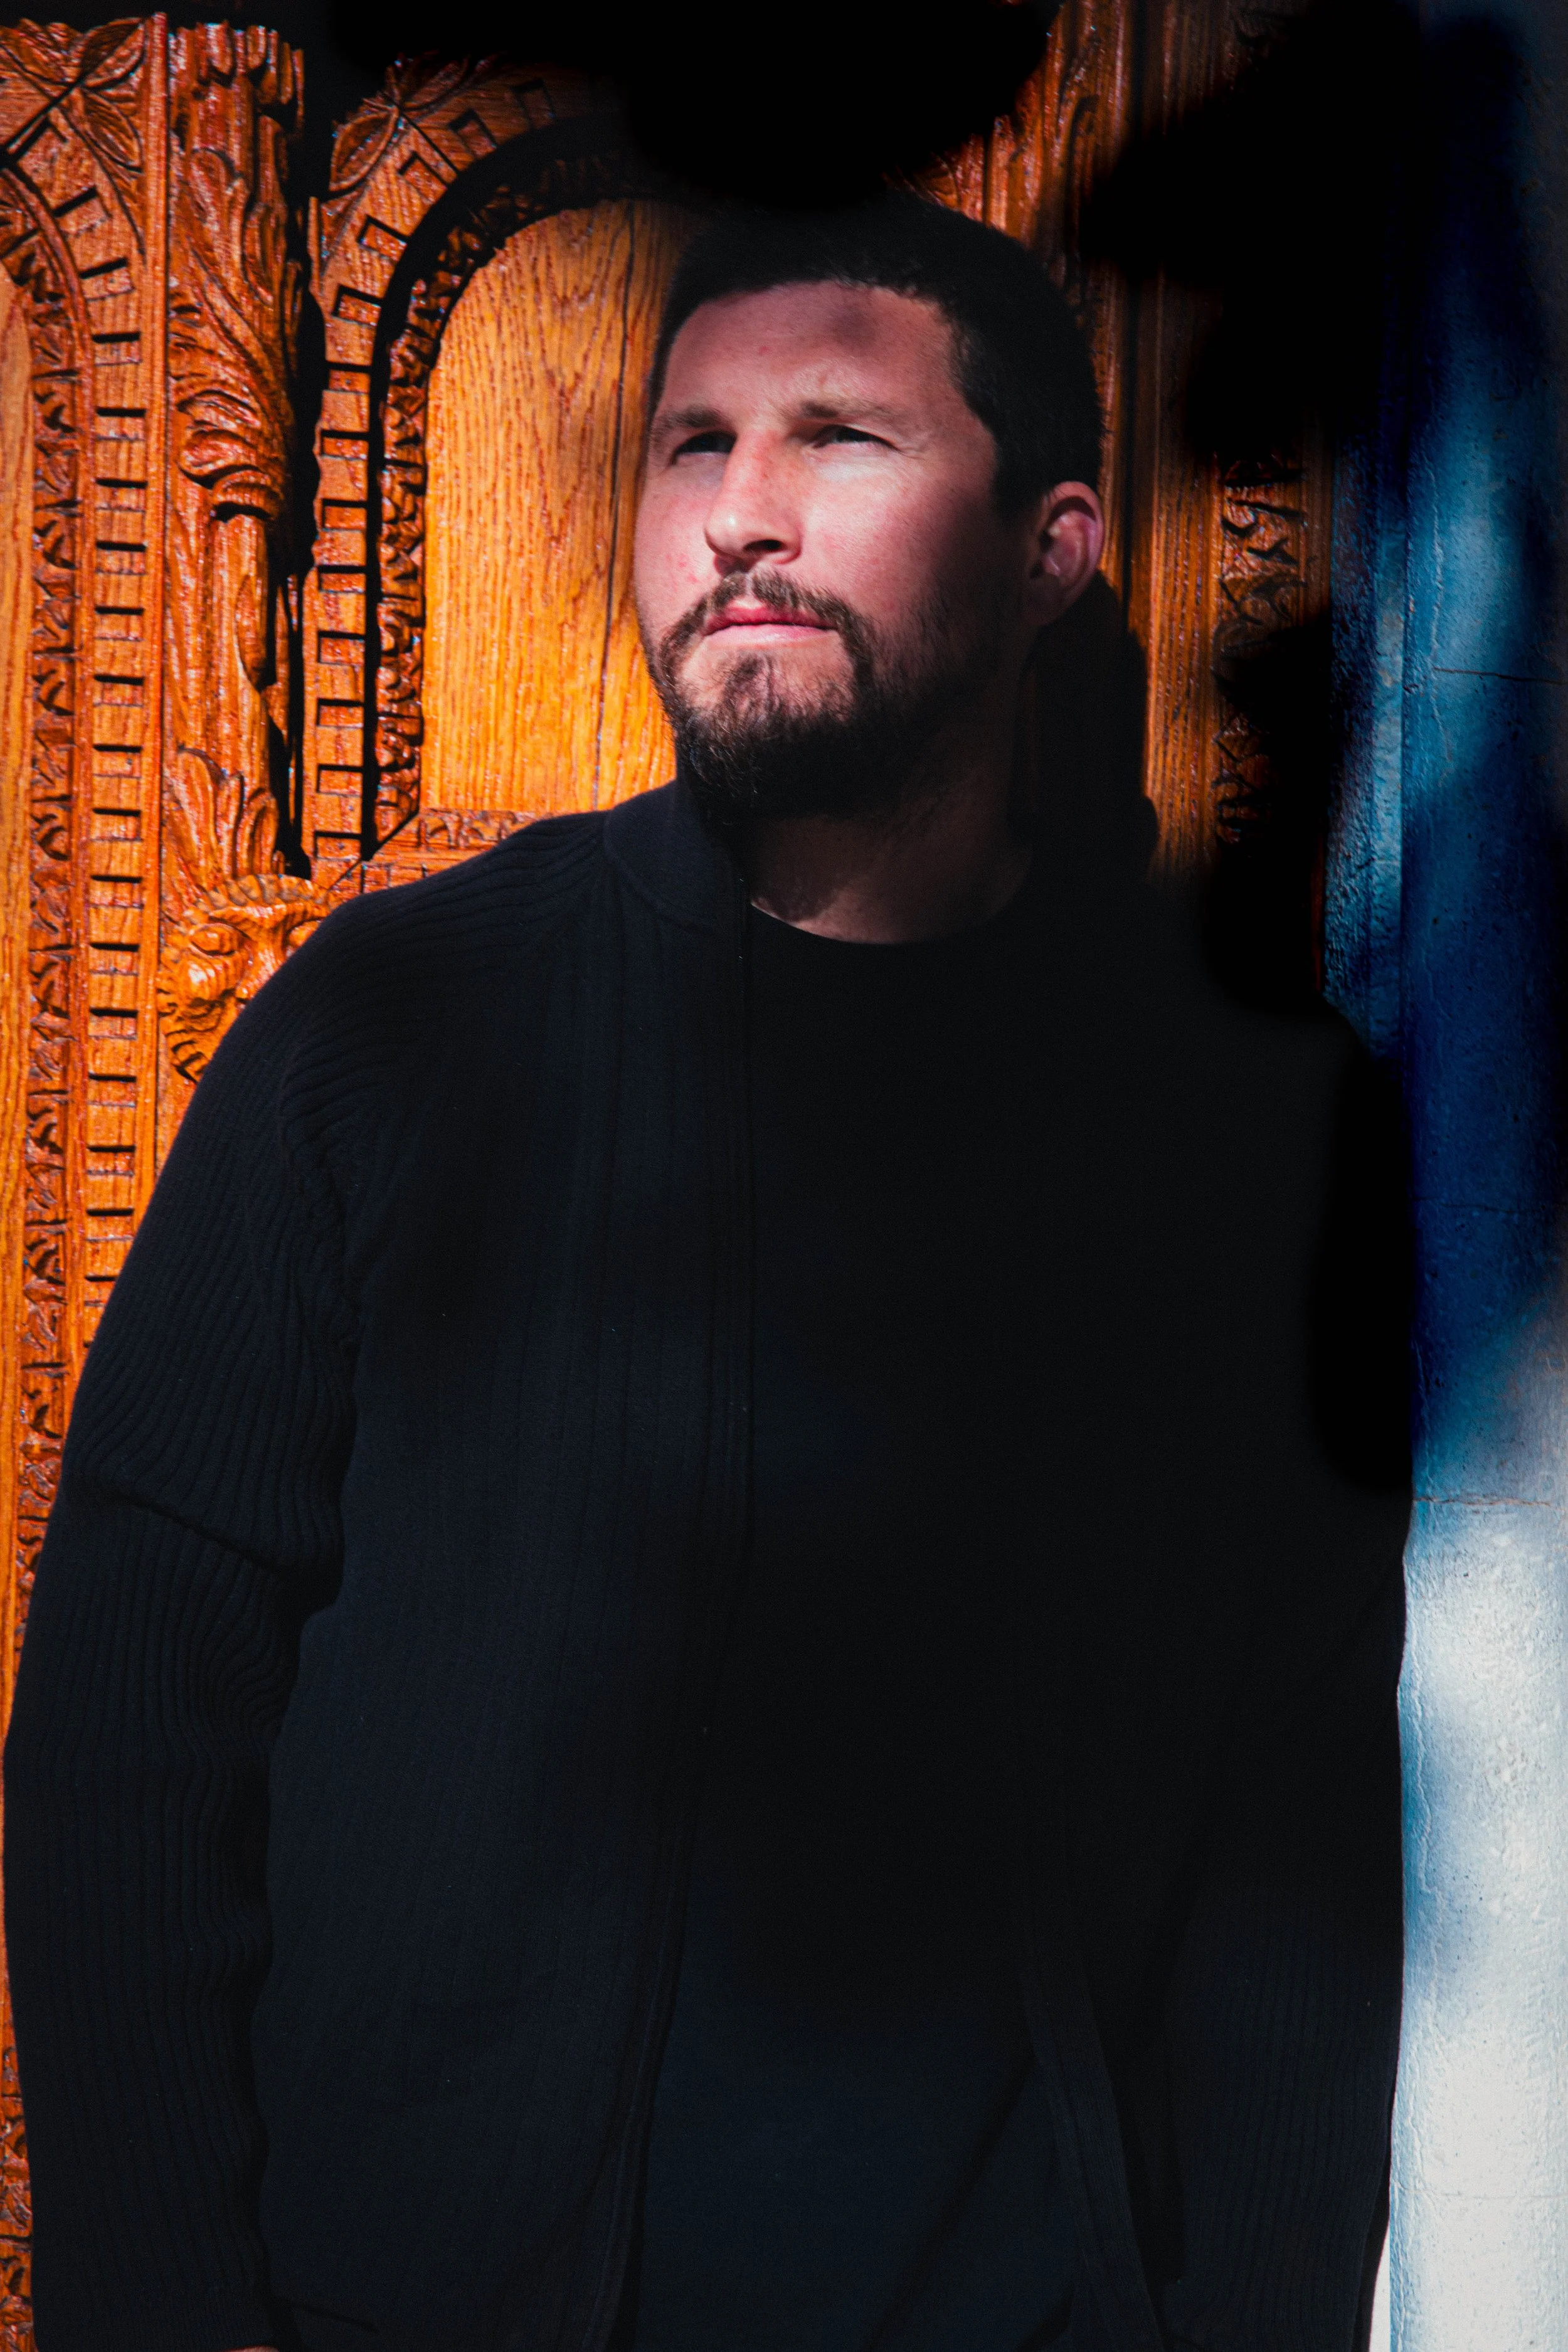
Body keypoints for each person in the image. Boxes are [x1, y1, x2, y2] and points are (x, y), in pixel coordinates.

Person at [4, 194, 1408, 2352]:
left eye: (839, 437)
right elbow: (131, 1712)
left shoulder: (1237, 1118)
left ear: (1050, 548)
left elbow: (1291, 1829)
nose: (740, 514)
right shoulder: (392, 1027)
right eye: (690, 444)